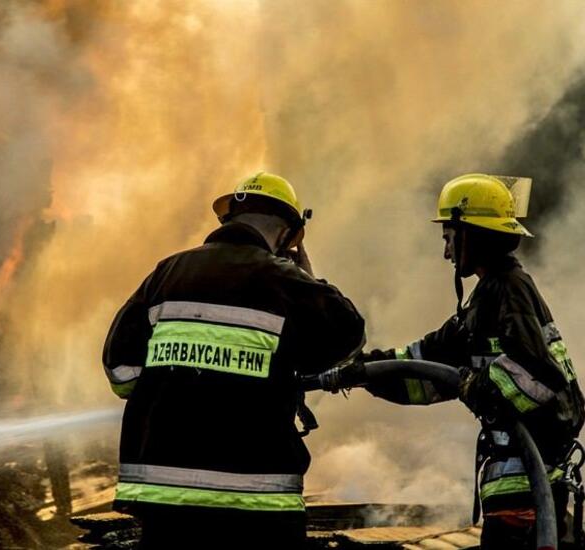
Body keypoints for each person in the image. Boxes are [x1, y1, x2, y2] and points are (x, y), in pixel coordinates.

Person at [102, 172, 365, 549]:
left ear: (227, 221)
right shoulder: (284, 279)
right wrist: (309, 276)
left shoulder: (167, 272)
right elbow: (349, 332)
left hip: (164, 498)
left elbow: (121, 373)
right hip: (256, 499)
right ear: (289, 235)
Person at [362, 173, 584, 549]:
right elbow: (424, 366)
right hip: (516, 492)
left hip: (528, 495)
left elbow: (538, 378)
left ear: (472, 234)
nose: (446, 252)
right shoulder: (485, 301)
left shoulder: (509, 290)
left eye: (448, 238)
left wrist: (475, 384)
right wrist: (362, 371)